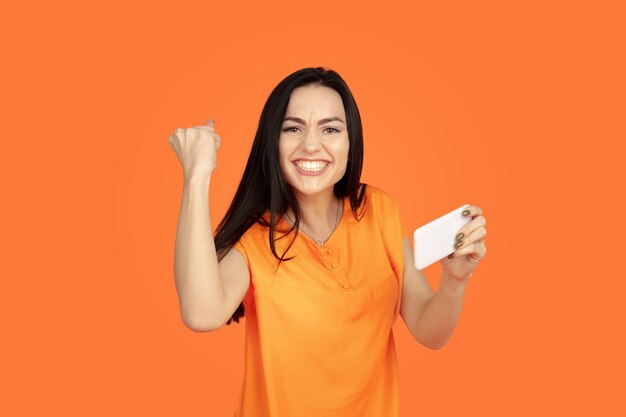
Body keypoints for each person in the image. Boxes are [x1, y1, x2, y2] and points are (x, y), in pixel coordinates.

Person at [168, 67, 487, 417]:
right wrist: (197, 175)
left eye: (330, 129)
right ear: (271, 142)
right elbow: (200, 313)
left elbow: (430, 330)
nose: (310, 144)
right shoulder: (255, 238)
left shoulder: (379, 211)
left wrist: (455, 281)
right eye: (293, 128)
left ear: (351, 143)